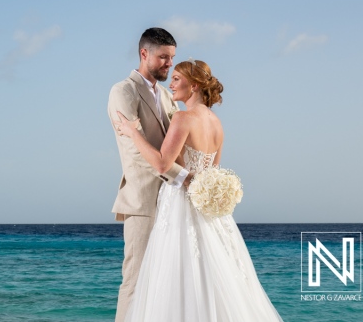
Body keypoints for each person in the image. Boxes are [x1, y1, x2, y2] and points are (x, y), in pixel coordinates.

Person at [114, 59, 283, 321]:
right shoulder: (216, 123)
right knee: (214, 273)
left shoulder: (183, 118)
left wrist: (132, 132)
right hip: (208, 211)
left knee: (177, 276)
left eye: (177, 79)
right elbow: (213, 172)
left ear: (193, 86)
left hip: (179, 203)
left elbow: (161, 162)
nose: (171, 84)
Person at [107, 27, 189, 322]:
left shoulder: (168, 97)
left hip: (172, 202)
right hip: (141, 201)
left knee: (168, 282)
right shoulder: (123, 91)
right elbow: (136, 151)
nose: (170, 64)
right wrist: (184, 179)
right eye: (164, 57)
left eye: (172, 58)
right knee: (136, 279)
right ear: (144, 54)